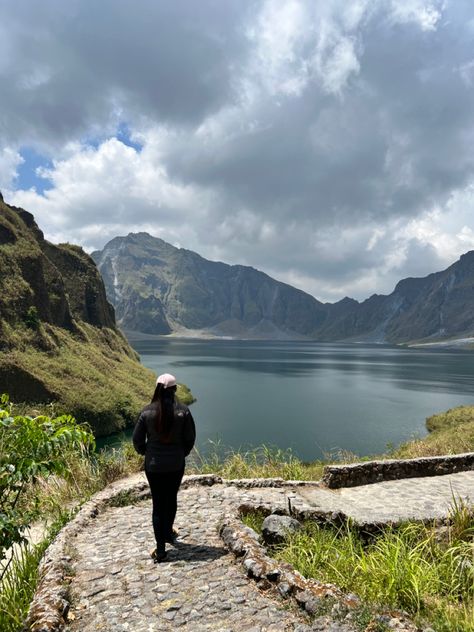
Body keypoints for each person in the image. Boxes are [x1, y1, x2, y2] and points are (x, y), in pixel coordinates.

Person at [133, 373, 196, 562]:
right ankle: (168, 533)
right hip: (176, 465)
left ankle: (160, 550)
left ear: (157, 389)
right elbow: (190, 439)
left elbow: (137, 441)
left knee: (158, 505)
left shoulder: (146, 412)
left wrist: (148, 453)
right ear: (175, 389)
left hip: (154, 467)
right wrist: (179, 454)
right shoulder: (183, 411)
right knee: (171, 497)